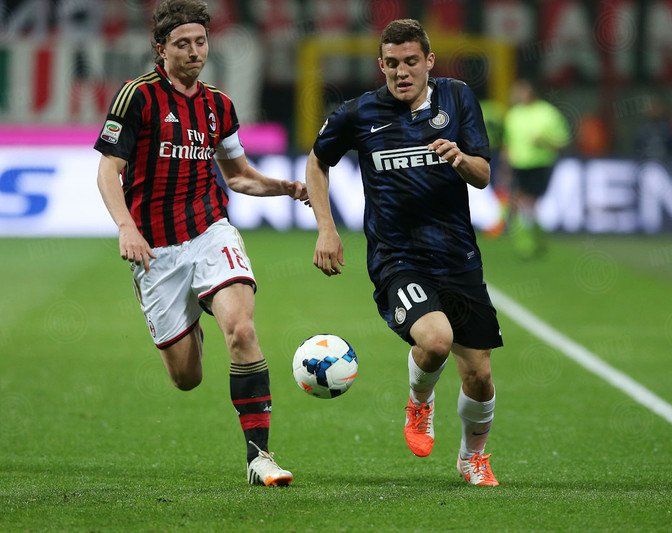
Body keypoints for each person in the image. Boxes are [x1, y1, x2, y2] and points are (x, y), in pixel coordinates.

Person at [94, 0, 306, 487]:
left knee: (243, 331)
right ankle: (192, 311)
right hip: (155, 250)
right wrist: (126, 227)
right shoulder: (137, 97)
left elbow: (239, 176)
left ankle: (260, 457)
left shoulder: (219, 105)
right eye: (183, 44)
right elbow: (108, 171)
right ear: (160, 49)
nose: (194, 52)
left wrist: (284, 187)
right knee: (186, 377)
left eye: (201, 42)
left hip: (210, 231)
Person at [305, 19, 503, 486]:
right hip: (397, 258)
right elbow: (317, 161)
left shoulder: (457, 98)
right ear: (381, 65)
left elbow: (483, 175)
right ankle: (419, 403)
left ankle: (472, 458)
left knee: (479, 374)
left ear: (429, 61)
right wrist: (326, 228)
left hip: (456, 255)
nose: (401, 71)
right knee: (434, 340)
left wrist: (460, 158)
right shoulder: (359, 113)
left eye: (411, 61)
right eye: (392, 63)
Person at [503, 79, 569, 258]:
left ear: (531, 92)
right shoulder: (513, 114)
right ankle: (533, 240)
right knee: (523, 202)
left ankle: (529, 241)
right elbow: (508, 142)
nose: (517, 95)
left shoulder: (548, 113)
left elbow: (562, 142)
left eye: (520, 91)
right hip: (518, 165)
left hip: (540, 164)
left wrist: (544, 141)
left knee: (527, 201)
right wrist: (505, 163)